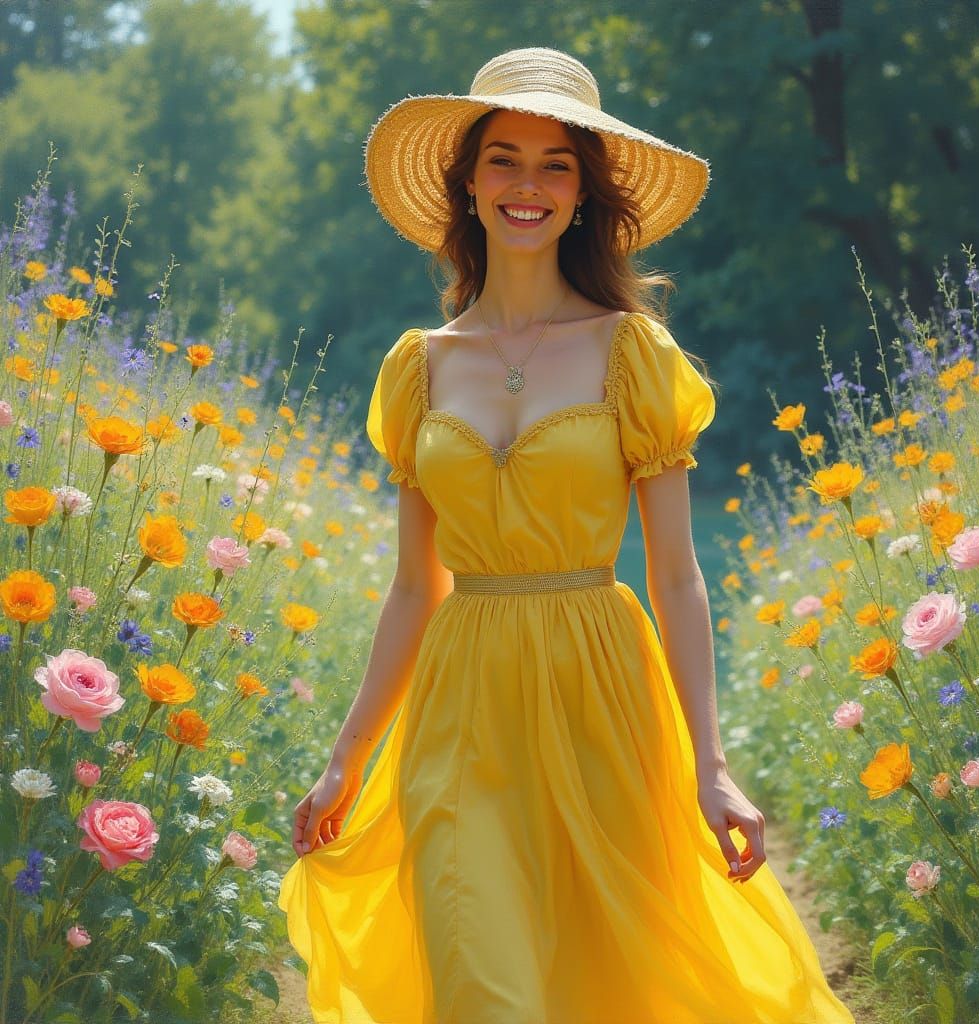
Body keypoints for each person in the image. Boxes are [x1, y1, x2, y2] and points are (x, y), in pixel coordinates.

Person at [278, 46, 856, 1024]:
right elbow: (415, 589)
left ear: (583, 192)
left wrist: (710, 767)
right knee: (483, 987)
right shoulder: (416, 368)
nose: (527, 186)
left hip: (602, 693)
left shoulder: (633, 353)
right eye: (503, 158)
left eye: (555, 164)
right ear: (467, 184)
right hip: (460, 710)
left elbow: (677, 578)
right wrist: (346, 756)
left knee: (615, 987)